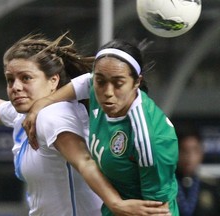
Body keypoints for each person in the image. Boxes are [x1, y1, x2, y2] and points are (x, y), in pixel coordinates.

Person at [0, 33, 172, 216]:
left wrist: (115, 203)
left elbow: (84, 161)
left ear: (53, 81)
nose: (15, 86)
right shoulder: (26, 115)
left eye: (26, 78)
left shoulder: (53, 115)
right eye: (10, 79)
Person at [23, 38, 180, 216]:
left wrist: (117, 205)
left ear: (137, 82)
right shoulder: (97, 88)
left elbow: (157, 210)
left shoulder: (149, 139)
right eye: (101, 81)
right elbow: (85, 82)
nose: (108, 92)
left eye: (118, 83)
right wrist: (42, 103)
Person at [175, 123, 220, 216]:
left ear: (201, 153)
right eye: (184, 150)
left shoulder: (212, 188)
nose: (189, 157)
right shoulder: (166, 188)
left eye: (194, 150)